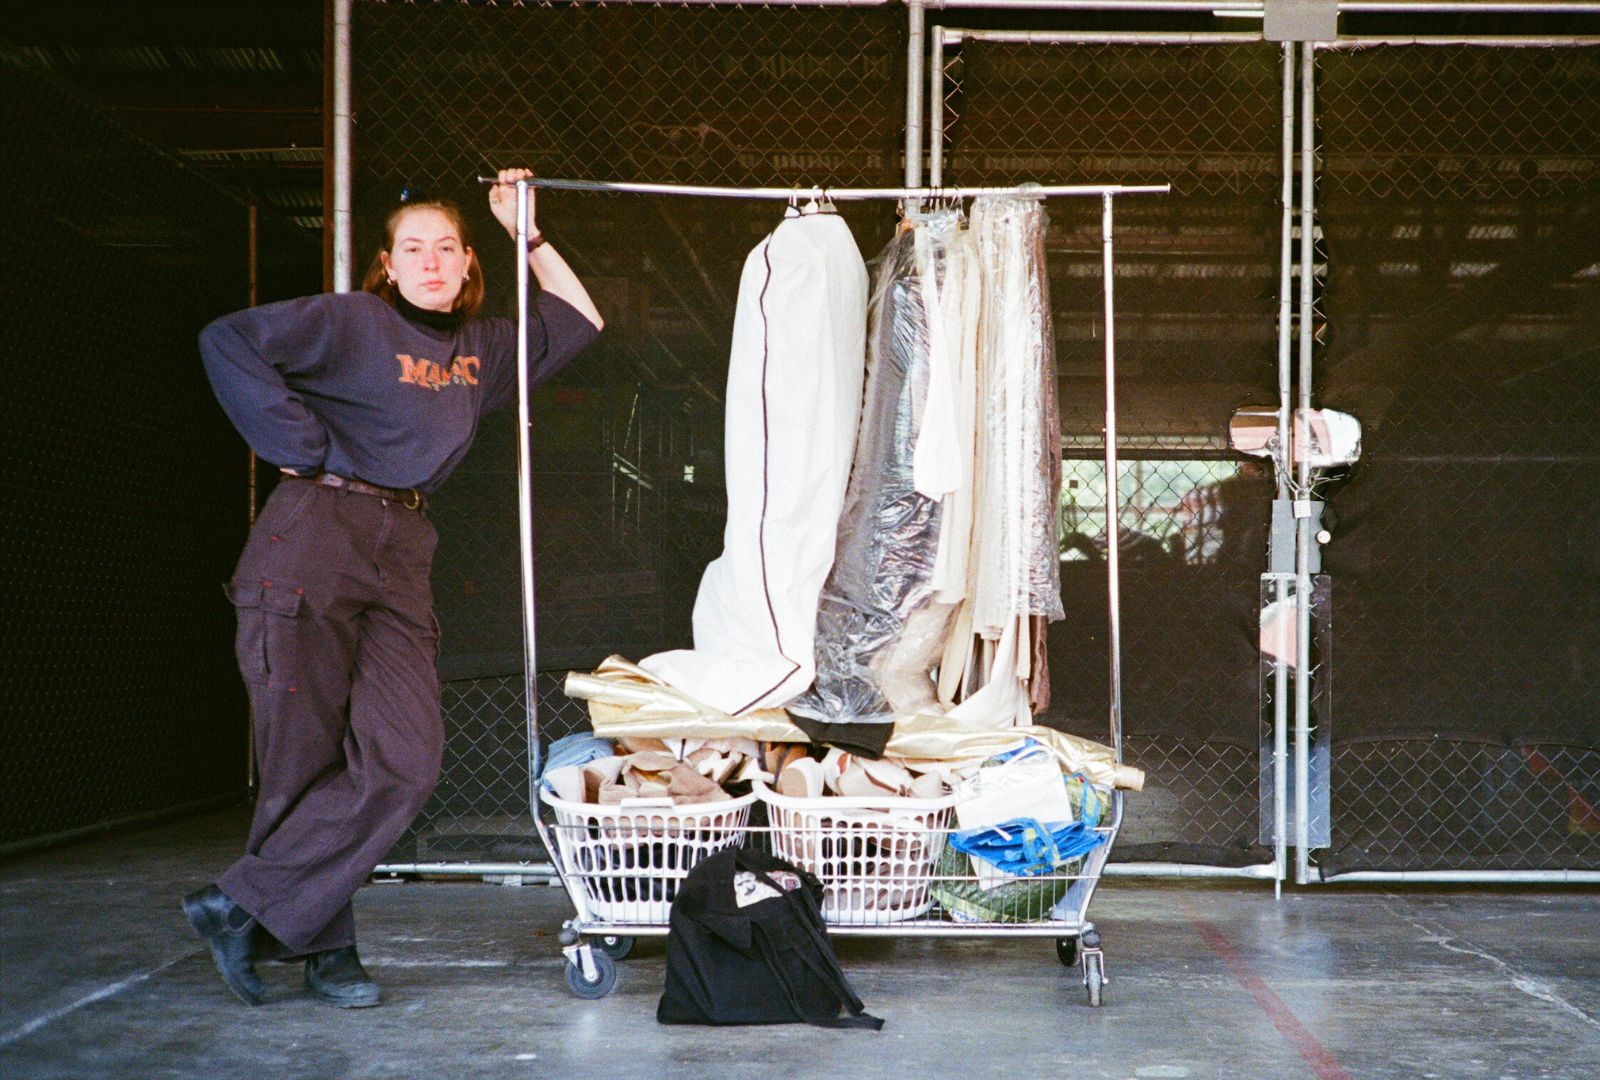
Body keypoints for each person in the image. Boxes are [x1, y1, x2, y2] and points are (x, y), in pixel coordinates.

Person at [184, 167, 602, 1008]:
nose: (432, 261)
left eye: (448, 247)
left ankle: (237, 905)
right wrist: (294, 445)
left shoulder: (481, 351)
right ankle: (327, 954)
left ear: (468, 264)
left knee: (406, 761)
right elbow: (226, 340)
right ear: (387, 262)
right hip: (315, 532)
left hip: (403, 547)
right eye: (413, 247)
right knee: (301, 757)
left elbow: (583, 320)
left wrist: (527, 228)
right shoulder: (351, 320)